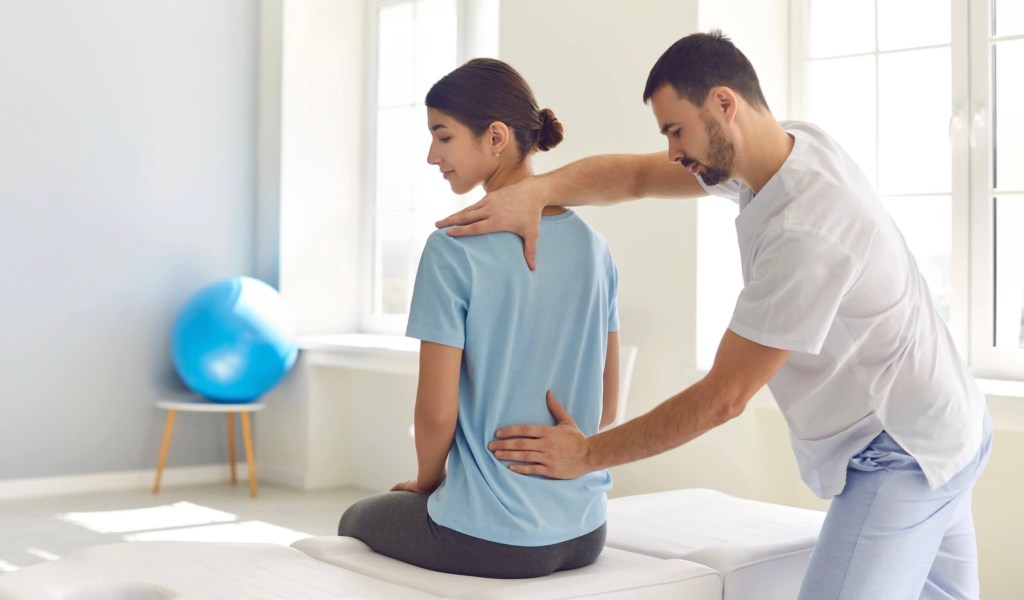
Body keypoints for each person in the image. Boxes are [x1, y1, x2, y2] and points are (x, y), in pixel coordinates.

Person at [437, 32, 992, 600]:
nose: (673, 151)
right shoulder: (790, 148)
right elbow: (634, 176)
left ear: (725, 104)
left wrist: (586, 454)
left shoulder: (806, 227)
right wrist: (540, 192)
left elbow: (725, 398)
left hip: (902, 447)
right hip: (950, 416)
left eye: (677, 130)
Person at [337, 58, 621, 579]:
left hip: (491, 539)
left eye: (442, 137)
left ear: (495, 137)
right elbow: (608, 401)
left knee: (355, 517)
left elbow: (436, 413)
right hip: (586, 530)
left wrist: (426, 483)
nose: (431, 155)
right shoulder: (594, 248)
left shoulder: (453, 248)